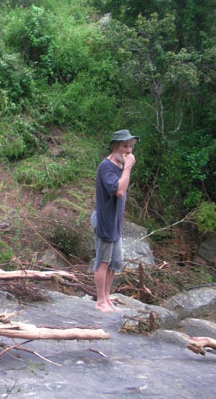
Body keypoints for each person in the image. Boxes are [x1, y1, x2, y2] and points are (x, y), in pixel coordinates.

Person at [91, 129, 138, 312]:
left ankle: (107, 298)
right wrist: (128, 167)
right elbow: (119, 191)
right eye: (125, 146)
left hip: (116, 221)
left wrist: (125, 167)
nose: (128, 150)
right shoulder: (106, 167)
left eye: (131, 147)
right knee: (103, 262)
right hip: (105, 220)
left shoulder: (120, 166)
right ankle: (100, 301)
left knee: (114, 263)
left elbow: (123, 188)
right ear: (115, 146)